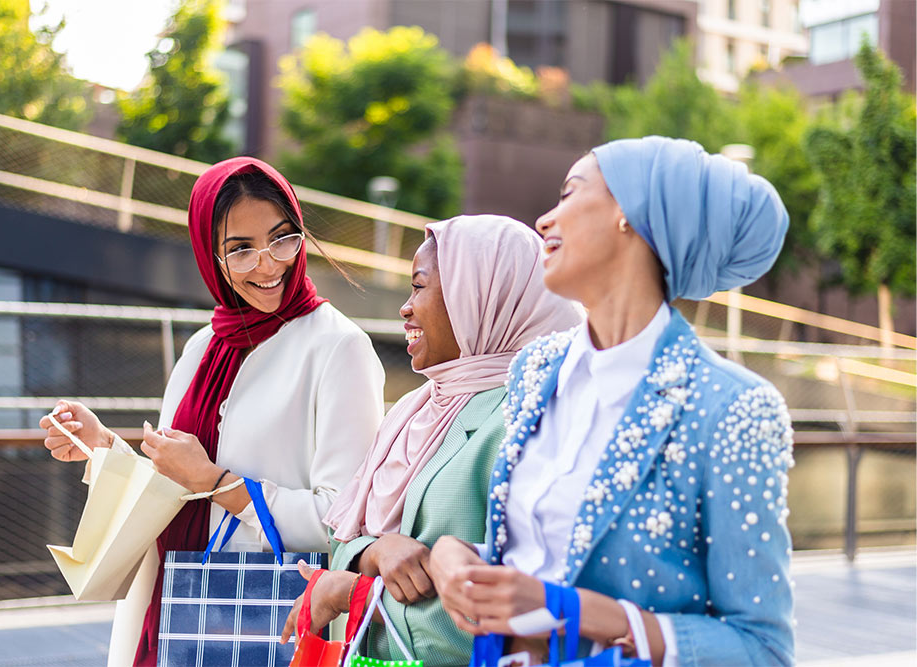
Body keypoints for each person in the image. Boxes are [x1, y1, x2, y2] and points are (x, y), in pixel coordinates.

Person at [428, 137, 796, 666]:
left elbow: (763, 649)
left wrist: (580, 613)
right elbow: (537, 561)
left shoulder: (732, 408)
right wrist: (453, 556)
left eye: (568, 194)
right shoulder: (535, 371)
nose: (544, 220)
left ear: (630, 212)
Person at [39, 157, 385, 666]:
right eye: (240, 250)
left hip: (270, 621)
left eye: (282, 238)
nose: (267, 265)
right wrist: (104, 448)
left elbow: (345, 525)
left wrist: (219, 482)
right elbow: (177, 486)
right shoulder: (203, 346)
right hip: (170, 608)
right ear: (210, 256)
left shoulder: (339, 348)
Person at [280, 215, 583, 664]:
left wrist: (356, 595)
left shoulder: (529, 417)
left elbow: (525, 596)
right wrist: (375, 553)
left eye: (419, 287)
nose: (405, 308)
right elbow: (346, 533)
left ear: (481, 297)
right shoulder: (414, 409)